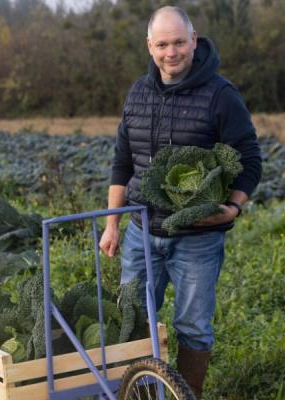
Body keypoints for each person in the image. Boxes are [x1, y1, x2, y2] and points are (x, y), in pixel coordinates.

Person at [99, 6, 261, 399]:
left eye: (178, 43)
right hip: (140, 231)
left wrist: (233, 207)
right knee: (133, 321)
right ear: (149, 46)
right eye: (162, 44)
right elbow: (123, 161)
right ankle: (138, 393)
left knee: (192, 326)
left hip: (197, 237)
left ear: (193, 40)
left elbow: (250, 157)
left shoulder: (221, 94)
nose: (171, 53)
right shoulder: (139, 91)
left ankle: (186, 395)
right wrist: (113, 224)